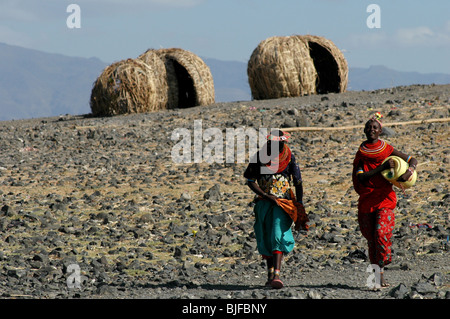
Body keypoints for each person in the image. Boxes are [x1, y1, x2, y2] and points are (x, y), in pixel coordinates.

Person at [352, 113, 418, 288]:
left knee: (381, 234)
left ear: (381, 131)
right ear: (364, 130)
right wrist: (381, 168)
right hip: (367, 200)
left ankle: (382, 266)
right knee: (372, 239)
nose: (372, 130)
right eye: (369, 127)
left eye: (375, 127)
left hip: (385, 199)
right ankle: (378, 277)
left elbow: (412, 159)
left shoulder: (386, 149)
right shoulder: (362, 153)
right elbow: (361, 178)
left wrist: (409, 172)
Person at [244, 129, 307, 289]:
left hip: (283, 203)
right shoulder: (259, 157)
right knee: (265, 235)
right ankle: (270, 274)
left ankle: (277, 275)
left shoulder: (289, 157)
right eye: (275, 143)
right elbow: (251, 180)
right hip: (264, 203)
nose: (279, 146)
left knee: (278, 233)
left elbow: (298, 182)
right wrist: (265, 195)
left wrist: (299, 203)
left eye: (281, 143)